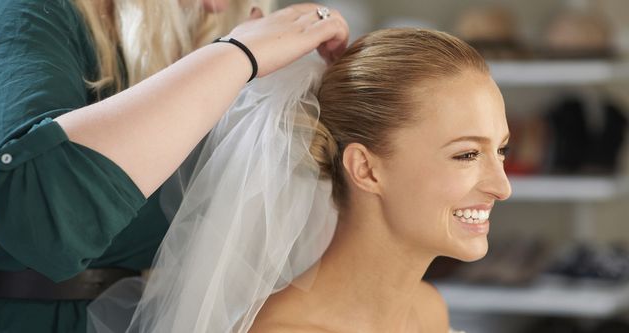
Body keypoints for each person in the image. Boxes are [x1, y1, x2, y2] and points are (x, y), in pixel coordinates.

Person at [93, 28, 512, 332]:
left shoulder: (426, 311)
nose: (502, 185)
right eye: (467, 154)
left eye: (502, 150)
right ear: (366, 169)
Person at [0, 0, 349, 331]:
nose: (217, 6)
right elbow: (34, 208)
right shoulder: (27, 12)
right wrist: (235, 56)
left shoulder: (190, 33)